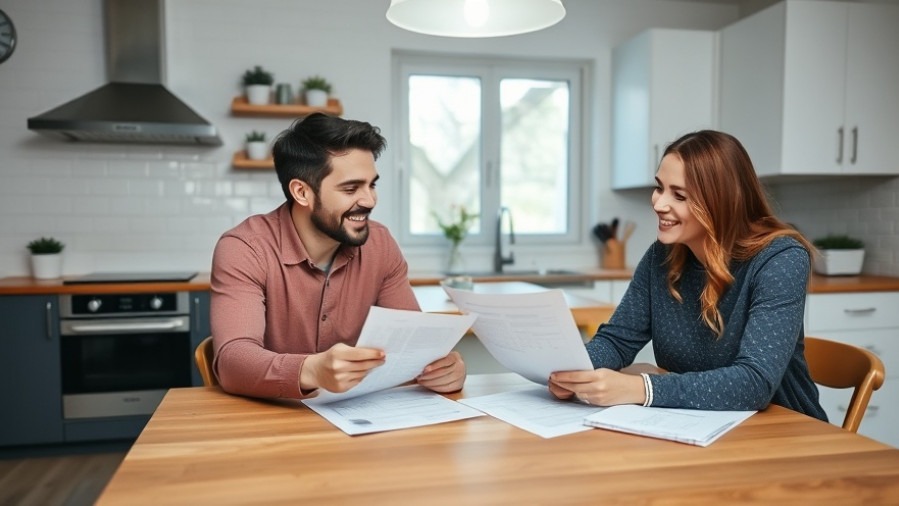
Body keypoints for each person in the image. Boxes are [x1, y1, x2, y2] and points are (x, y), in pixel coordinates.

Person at [550, 130, 826, 421]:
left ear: (720, 202)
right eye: (660, 187)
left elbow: (754, 382)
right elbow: (618, 340)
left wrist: (641, 388)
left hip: (784, 433)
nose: (658, 204)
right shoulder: (662, 256)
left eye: (678, 195)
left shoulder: (780, 259)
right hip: (696, 425)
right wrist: (574, 370)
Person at [210, 113, 465, 399]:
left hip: (358, 421)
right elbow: (232, 362)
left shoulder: (380, 244)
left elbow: (412, 346)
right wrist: (311, 370)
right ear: (302, 192)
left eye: (372, 185)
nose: (369, 200)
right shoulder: (245, 249)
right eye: (351, 188)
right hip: (271, 424)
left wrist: (444, 369)